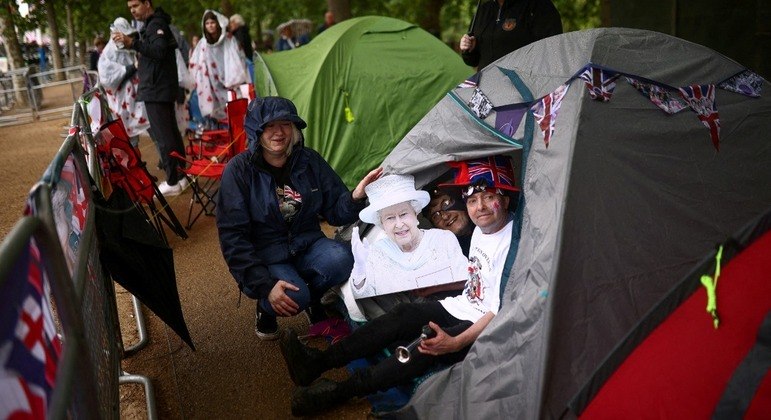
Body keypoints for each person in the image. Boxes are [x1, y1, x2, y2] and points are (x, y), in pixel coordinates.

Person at [280, 155, 520, 416]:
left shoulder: (513, 239)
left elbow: (499, 309)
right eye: (472, 200)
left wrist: (457, 342)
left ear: (505, 199)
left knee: (421, 347)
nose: (480, 207)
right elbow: (478, 278)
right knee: (403, 315)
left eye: (488, 198)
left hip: (484, 326)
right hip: (462, 305)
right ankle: (316, 363)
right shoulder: (479, 232)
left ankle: (339, 392)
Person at [216, 96, 382, 341]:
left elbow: (335, 211)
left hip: (307, 243)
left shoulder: (308, 161)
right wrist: (264, 285)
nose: (278, 132)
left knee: (343, 259)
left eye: (285, 124)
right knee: (295, 296)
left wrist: (356, 196)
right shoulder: (240, 171)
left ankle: (313, 299)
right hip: (268, 253)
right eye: (270, 126)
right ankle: (265, 308)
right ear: (257, 132)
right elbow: (232, 236)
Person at [344, 174, 469, 320]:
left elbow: (470, 280)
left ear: (415, 214)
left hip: (458, 309)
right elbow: (361, 297)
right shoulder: (377, 251)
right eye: (390, 218)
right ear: (382, 224)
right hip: (407, 320)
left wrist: (432, 288)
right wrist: (360, 268)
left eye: (404, 214)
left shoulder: (442, 238)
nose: (399, 224)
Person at [113, 0, 187, 196]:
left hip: (157, 89)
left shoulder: (156, 25)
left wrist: (133, 43)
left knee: (164, 137)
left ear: (147, 4)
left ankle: (172, 181)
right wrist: (136, 43)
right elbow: (155, 50)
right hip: (159, 88)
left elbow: (159, 51)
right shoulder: (154, 25)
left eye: (136, 6)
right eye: (130, 8)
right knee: (170, 133)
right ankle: (181, 176)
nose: (133, 11)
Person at [460, 0, 562, 70]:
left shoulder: (538, 6)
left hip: (524, 90)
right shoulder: (482, 11)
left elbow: (553, 51)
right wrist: (469, 49)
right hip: (487, 91)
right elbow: (473, 61)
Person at [189, 10, 250, 122]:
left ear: (218, 23)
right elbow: (195, 64)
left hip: (230, 81)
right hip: (212, 82)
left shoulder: (229, 39)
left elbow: (239, 58)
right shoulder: (203, 43)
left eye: (212, 22)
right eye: (207, 23)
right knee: (217, 111)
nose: (210, 26)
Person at [98, 17, 149, 146]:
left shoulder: (129, 49)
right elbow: (107, 78)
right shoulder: (108, 54)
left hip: (137, 97)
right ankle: (134, 164)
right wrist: (130, 69)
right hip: (120, 101)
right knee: (128, 136)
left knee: (148, 126)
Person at [422, 176, 474, 256]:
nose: (445, 217)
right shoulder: (447, 257)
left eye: (446, 204)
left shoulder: (494, 223)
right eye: (436, 216)